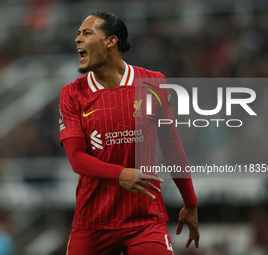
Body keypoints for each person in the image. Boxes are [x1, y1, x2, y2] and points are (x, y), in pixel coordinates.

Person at [59, 11, 199, 255]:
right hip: (94, 222)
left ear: (110, 41)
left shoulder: (153, 82)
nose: (77, 39)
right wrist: (120, 174)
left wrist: (191, 202)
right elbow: (77, 158)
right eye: (78, 34)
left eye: (87, 33)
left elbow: (171, 145)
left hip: (145, 219)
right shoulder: (73, 94)